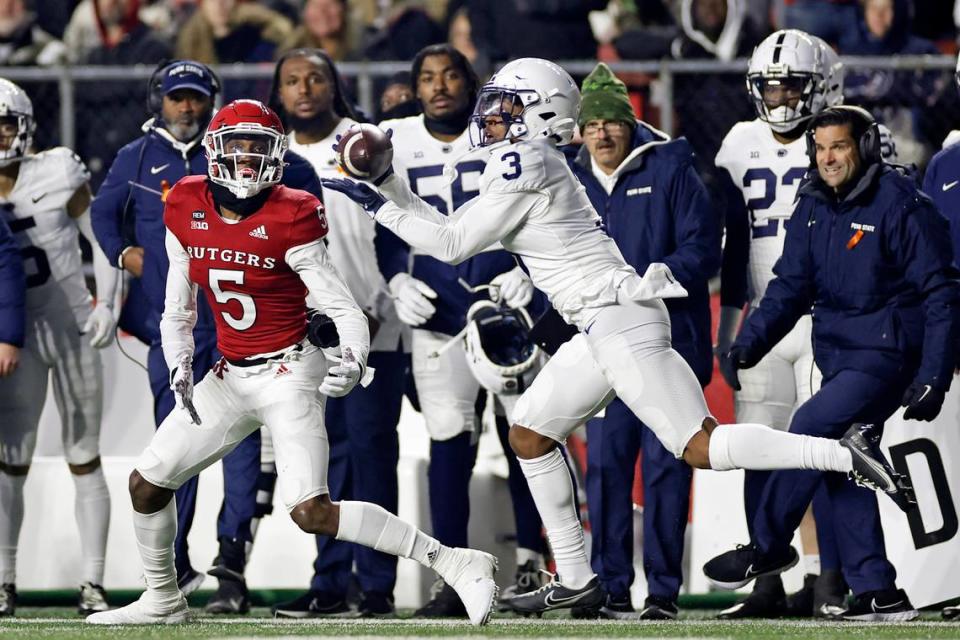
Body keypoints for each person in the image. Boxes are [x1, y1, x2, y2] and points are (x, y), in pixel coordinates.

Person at [322, 57, 915, 616]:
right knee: (529, 433)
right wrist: (391, 191)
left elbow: (452, 246)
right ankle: (578, 580)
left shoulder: (524, 159)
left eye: (507, 106)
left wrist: (378, 202)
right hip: (601, 323)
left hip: (618, 319)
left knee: (699, 448)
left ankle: (843, 453)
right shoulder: (528, 159)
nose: (492, 116)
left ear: (540, 113)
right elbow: (451, 229)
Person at [85, 99, 498, 627]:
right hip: (230, 374)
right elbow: (177, 304)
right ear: (215, 150)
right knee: (147, 483)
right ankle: (163, 597)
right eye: (237, 146)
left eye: (258, 147)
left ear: (277, 154)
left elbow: (339, 302)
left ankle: (455, 561)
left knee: (312, 511)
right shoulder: (186, 201)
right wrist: (181, 362)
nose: (247, 159)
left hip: (289, 369)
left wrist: (352, 354)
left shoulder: (293, 210)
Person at [90, 59, 325, 614]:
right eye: (177, 98)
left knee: (242, 451)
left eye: (196, 98)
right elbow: (104, 216)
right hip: (172, 324)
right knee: (175, 449)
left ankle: (231, 564)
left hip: (247, 330)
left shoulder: (252, 149)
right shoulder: (137, 156)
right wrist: (126, 256)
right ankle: (171, 574)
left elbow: (303, 222)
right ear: (160, 102)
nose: (187, 107)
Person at [707, 105, 959, 622]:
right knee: (841, 463)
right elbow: (790, 286)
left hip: (890, 355)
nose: (828, 158)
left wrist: (934, 372)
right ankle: (877, 592)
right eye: (820, 148)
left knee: (810, 428)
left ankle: (770, 543)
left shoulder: (902, 203)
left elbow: (942, 292)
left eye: (838, 146)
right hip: (840, 356)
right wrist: (748, 343)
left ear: (864, 147)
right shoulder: (814, 204)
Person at [376, 43, 547, 618]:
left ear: (472, 83)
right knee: (449, 441)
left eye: (452, 75)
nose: (440, 85)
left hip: (506, 306)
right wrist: (392, 280)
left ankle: (535, 564)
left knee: (529, 436)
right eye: (427, 77)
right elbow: (377, 224)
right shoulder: (392, 139)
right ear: (414, 87)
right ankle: (451, 574)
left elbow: (545, 208)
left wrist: (533, 272)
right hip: (438, 313)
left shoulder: (508, 131)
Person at [566, 62, 721, 620]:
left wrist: (657, 277)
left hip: (667, 347)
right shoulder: (569, 177)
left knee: (665, 465)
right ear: (579, 131)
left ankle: (661, 592)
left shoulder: (674, 169)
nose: (603, 133)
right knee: (606, 468)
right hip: (602, 351)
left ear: (631, 124)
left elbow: (705, 248)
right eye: (592, 124)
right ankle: (609, 587)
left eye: (612, 122)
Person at [266, 47, 406, 619]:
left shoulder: (363, 142)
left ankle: (376, 586)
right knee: (318, 461)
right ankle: (328, 581)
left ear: (335, 85)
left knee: (372, 454)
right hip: (302, 334)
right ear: (279, 91)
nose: (304, 89)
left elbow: (396, 223)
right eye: (293, 81)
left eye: (315, 78)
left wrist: (378, 304)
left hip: (373, 324)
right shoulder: (264, 150)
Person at [713, 29, 847, 619]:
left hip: (824, 317)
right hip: (765, 319)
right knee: (758, 448)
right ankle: (767, 575)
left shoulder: (845, 136)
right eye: (772, 85)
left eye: (793, 83)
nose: (782, 96)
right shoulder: (738, 142)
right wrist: (730, 324)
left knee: (822, 448)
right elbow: (731, 243)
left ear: (821, 86)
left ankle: (828, 579)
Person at [0, 78, 119, 616]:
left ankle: (92, 582)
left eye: (4, 123)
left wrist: (108, 304)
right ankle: (4, 579)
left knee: (83, 455)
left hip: (71, 325)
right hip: (15, 337)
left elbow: (103, 239)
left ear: (24, 125)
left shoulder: (58, 170)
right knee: (11, 460)